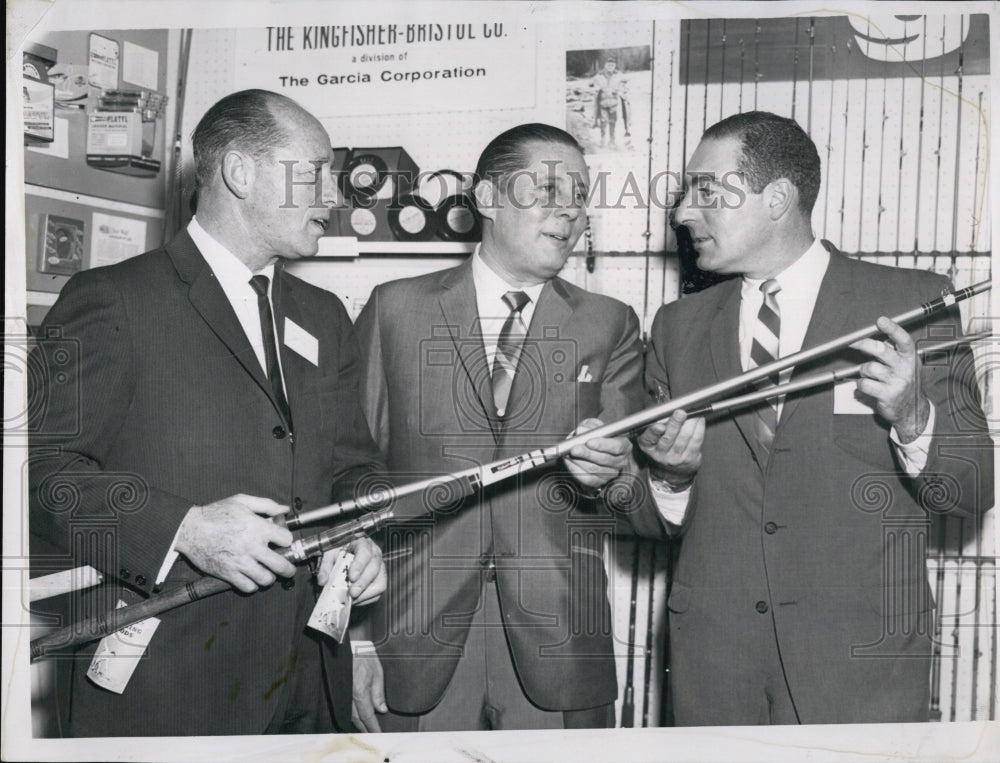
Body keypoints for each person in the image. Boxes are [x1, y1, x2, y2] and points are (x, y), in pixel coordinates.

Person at [29, 89, 388, 736]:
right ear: (240, 172)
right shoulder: (113, 301)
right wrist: (184, 528)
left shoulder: (325, 317)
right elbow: (41, 473)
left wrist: (360, 537)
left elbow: (355, 467)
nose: (332, 197)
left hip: (308, 679)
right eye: (314, 173)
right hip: (171, 688)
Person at [637, 110, 994, 725]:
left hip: (858, 667)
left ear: (777, 197)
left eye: (705, 190)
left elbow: (969, 489)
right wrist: (670, 478)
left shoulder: (910, 304)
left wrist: (914, 417)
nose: (683, 213)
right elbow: (643, 517)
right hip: (714, 668)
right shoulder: (677, 327)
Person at [350, 123, 664, 732]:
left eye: (579, 193)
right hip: (412, 634)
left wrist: (615, 469)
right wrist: (357, 638)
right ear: (488, 199)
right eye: (547, 188)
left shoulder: (610, 323)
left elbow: (632, 489)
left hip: (561, 639)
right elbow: (353, 478)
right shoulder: (395, 309)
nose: (569, 210)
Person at [591, 56, 628, 147]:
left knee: (613, 121)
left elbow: (626, 84)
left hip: (614, 104)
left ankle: (612, 140)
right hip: (602, 103)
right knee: (603, 122)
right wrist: (594, 87)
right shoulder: (599, 75)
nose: (611, 66)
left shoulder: (619, 75)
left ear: (615, 66)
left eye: (612, 65)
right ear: (605, 65)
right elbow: (590, 83)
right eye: (609, 65)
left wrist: (623, 89)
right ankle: (602, 140)